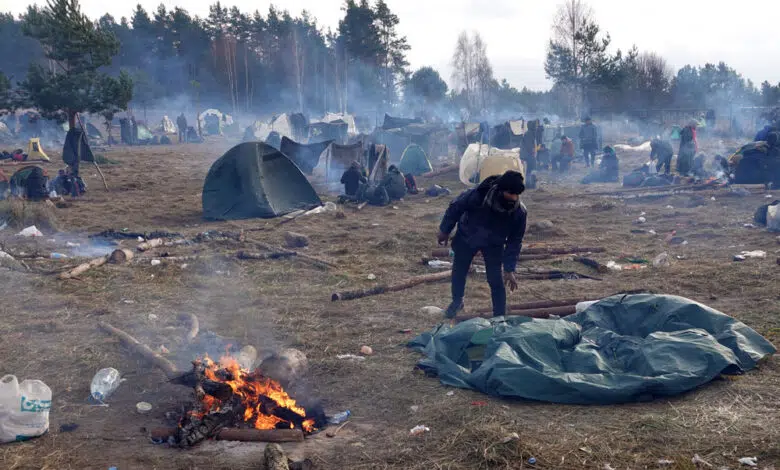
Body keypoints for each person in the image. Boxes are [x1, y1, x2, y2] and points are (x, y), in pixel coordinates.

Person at [437, 170, 528, 318]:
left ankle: (499, 315)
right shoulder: (478, 196)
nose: (513, 197)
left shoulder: (519, 213)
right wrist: (445, 230)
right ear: (500, 190)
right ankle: (457, 301)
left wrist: (509, 269)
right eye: (510, 193)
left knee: (495, 279)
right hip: (467, 235)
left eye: (516, 194)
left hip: (494, 244)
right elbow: (456, 207)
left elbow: (514, 241)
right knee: (459, 270)